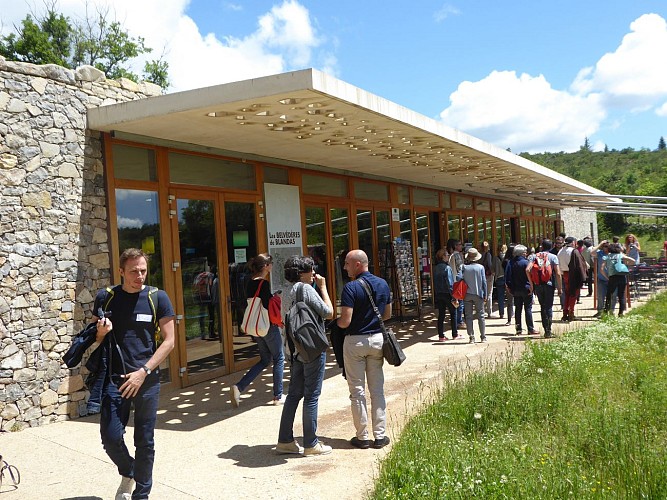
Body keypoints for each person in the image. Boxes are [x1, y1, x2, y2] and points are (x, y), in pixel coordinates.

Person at [92, 248, 175, 500]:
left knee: (145, 440)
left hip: (146, 379)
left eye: (143, 270)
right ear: (120, 271)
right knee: (111, 436)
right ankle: (129, 471)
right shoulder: (105, 298)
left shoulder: (157, 297)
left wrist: (144, 371)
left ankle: (141, 494)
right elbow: (95, 339)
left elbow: (169, 341)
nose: (140, 276)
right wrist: (101, 332)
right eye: (133, 271)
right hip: (115, 379)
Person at [277, 255, 333, 456]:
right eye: (311, 269)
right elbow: (328, 312)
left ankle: (285, 440)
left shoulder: (284, 291)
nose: (314, 273)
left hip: (294, 349)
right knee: (311, 396)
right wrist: (323, 287)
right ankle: (311, 443)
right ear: (302, 273)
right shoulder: (306, 289)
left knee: (293, 394)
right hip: (311, 348)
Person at [337, 250, 392, 450]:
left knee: (357, 391)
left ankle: (362, 437)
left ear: (358, 264)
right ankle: (380, 435)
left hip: (355, 342)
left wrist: (335, 323)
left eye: (347, 264)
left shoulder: (350, 288)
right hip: (377, 340)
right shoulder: (383, 284)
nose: (345, 267)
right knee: (377, 390)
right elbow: (387, 314)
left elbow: (345, 321)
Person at [231, 254, 285, 407]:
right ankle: (278, 396)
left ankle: (239, 387)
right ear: (266, 265)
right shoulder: (264, 283)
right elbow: (267, 306)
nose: (272, 265)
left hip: (255, 328)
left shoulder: (249, 282)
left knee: (265, 360)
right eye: (271, 263)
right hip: (267, 326)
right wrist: (275, 297)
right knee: (279, 358)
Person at [527, 239, 562, 338]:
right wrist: (559, 288)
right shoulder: (553, 257)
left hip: (538, 285)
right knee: (548, 307)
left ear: (541, 246)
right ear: (552, 246)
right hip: (549, 284)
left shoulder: (534, 256)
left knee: (542, 307)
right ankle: (548, 331)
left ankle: (545, 328)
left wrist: (531, 284)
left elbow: (527, 269)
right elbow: (558, 273)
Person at [506, 244, 538, 335]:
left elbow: (507, 277)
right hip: (526, 288)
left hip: (515, 289)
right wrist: (533, 287)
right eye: (524, 252)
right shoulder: (526, 263)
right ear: (521, 253)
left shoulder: (510, 263)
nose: (526, 253)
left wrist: (510, 288)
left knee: (518, 309)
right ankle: (530, 329)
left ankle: (518, 329)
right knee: (528, 308)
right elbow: (531, 276)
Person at [462, 247, 487, 343]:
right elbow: (484, 282)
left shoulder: (464, 267)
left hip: (467, 294)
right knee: (481, 315)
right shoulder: (480, 268)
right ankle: (483, 336)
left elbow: (458, 277)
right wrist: (485, 293)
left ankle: (471, 337)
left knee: (468, 316)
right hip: (478, 294)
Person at [603, 243, 635, 317]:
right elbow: (633, 260)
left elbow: (602, 269)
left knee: (609, 294)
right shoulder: (621, 255)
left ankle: (606, 310)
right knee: (621, 295)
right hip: (621, 276)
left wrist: (607, 276)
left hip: (612, 277)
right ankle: (621, 312)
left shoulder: (607, 257)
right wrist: (626, 264)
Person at [432, 248, 458, 341]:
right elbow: (450, 283)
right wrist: (453, 295)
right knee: (453, 313)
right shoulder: (447, 268)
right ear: (443, 257)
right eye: (447, 255)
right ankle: (455, 334)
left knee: (441, 315)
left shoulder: (435, 268)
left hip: (439, 293)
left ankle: (441, 335)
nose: (448, 257)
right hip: (447, 293)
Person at [447, 239, 465, 329]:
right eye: (459, 244)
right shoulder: (457, 255)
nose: (461, 246)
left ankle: (455, 320)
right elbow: (460, 269)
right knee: (460, 303)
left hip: (453, 281)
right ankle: (459, 321)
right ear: (455, 246)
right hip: (458, 281)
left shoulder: (451, 256)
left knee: (455, 302)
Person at [501, 244, 516, 326]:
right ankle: (511, 319)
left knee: (510, 302)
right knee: (511, 302)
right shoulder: (509, 261)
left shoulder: (505, 261)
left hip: (508, 282)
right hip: (512, 282)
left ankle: (510, 319)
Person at [480, 241, 495, 318]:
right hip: (488, 275)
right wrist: (493, 272)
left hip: (480, 275)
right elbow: (489, 264)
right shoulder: (488, 255)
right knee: (489, 293)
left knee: (482, 293)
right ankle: (489, 311)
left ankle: (481, 310)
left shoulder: (479, 255)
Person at [493, 244, 507, 320]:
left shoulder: (495, 258)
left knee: (500, 297)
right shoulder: (507, 257)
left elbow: (493, 268)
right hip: (507, 278)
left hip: (499, 278)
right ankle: (511, 313)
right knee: (510, 297)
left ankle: (501, 313)